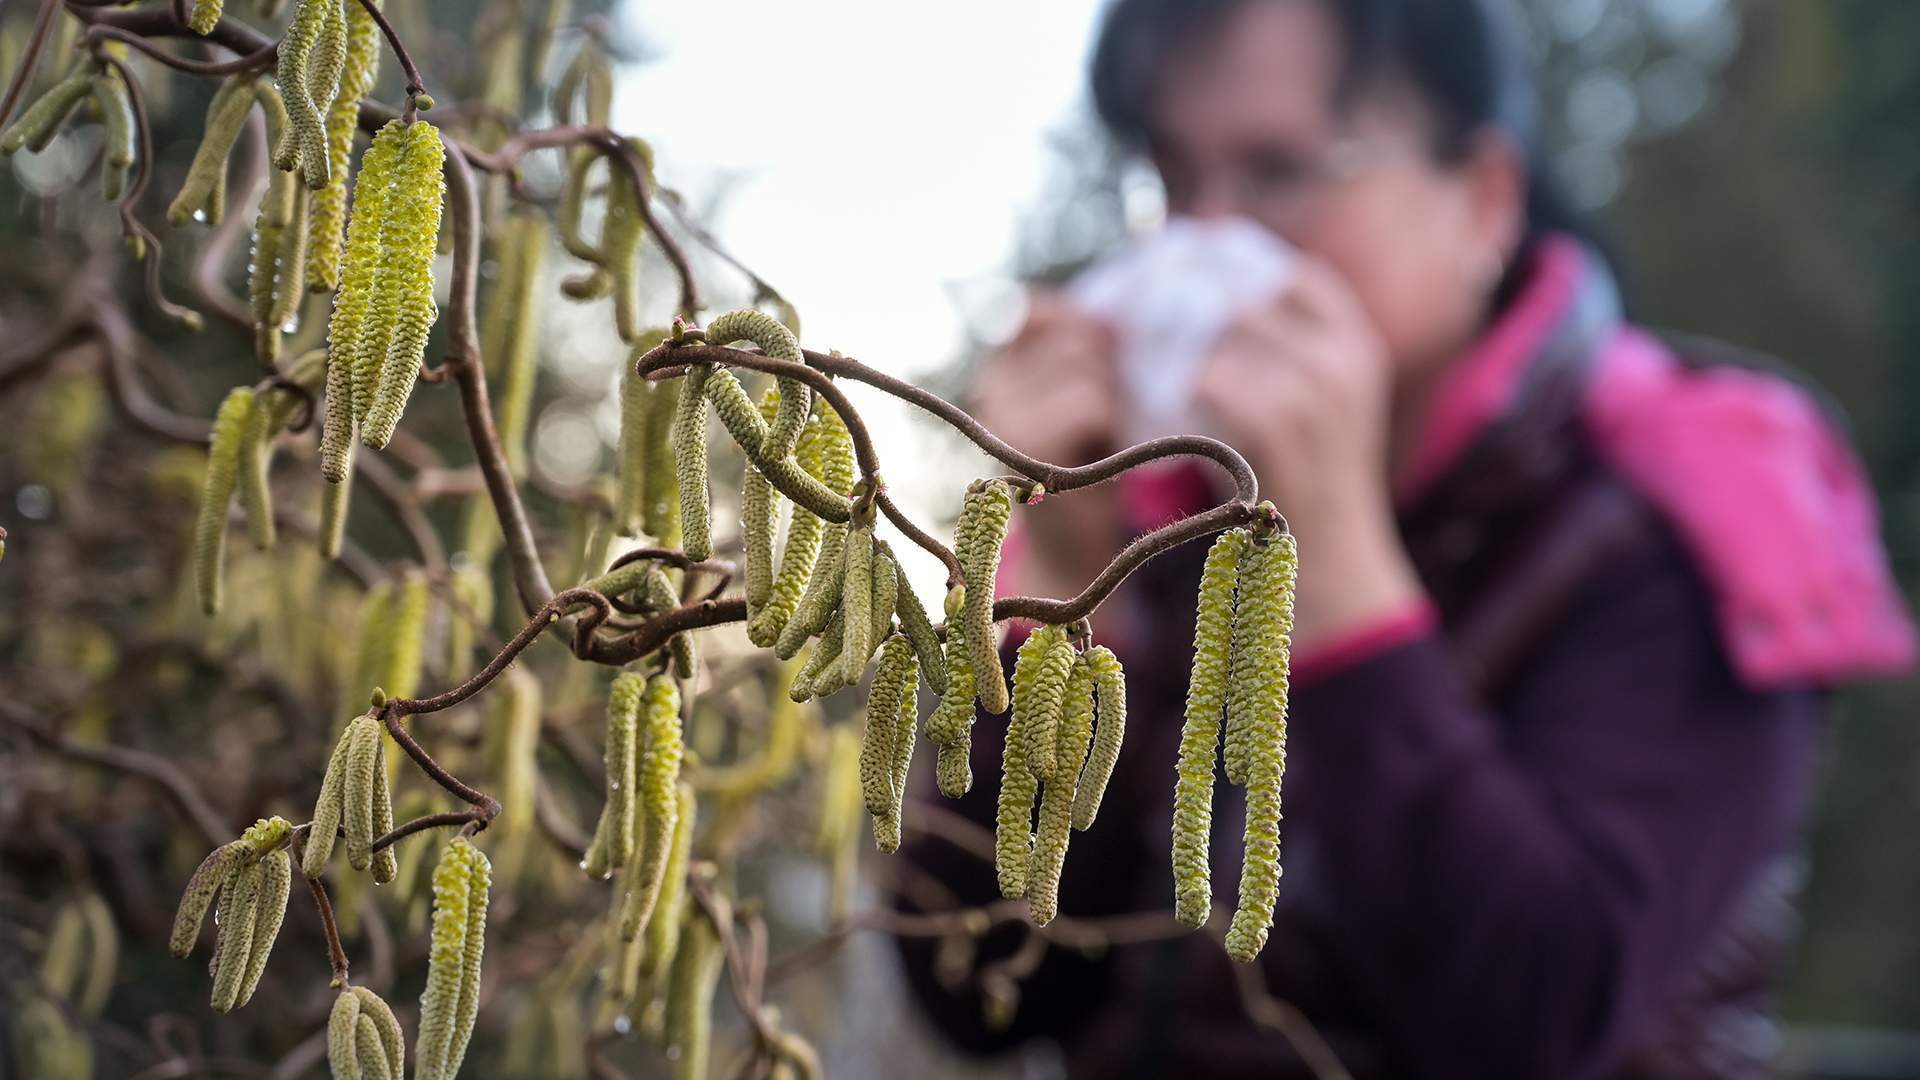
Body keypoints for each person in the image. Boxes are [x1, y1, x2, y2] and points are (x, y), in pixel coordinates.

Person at [892, 1, 1918, 1077]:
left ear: (1483, 202)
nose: (1207, 241)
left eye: (1280, 170)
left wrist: (1339, 570)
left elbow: (1537, 1018)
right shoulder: (1171, 512)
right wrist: (1065, 599)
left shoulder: (1686, 519)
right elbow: (976, 990)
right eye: (1175, 180)